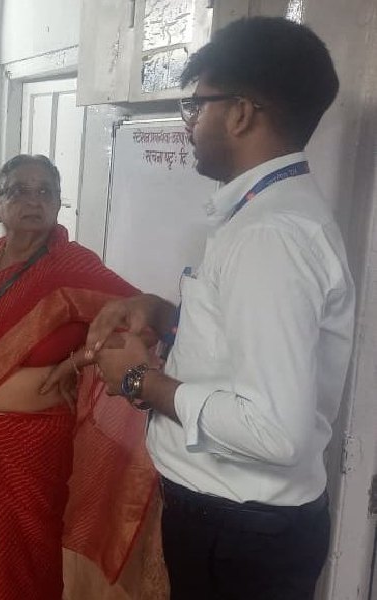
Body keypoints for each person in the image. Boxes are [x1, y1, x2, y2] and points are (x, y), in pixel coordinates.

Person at [87, 17, 354, 600]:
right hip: (241, 528)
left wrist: (139, 380)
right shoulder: (267, 217)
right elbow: (241, 346)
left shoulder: (272, 236)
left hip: (239, 537)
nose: (190, 124)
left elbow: (273, 430)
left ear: (240, 113)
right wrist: (163, 314)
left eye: (196, 105)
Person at [0, 154, 165, 600]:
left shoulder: (71, 265)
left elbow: (139, 316)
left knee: (25, 564)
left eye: (45, 191)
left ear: (60, 204)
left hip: (32, 447)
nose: (33, 201)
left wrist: (78, 360)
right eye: (19, 191)